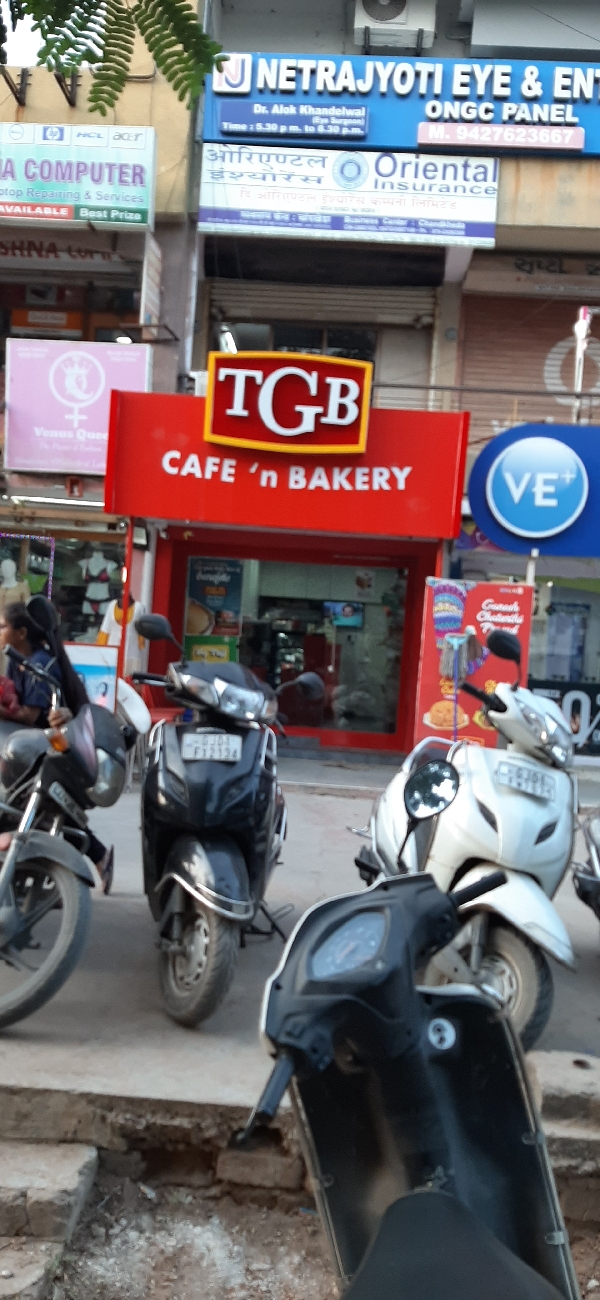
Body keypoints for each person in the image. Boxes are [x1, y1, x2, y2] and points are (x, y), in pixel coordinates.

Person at [0, 602, 115, 893]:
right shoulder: (16, 658)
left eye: (2, 627)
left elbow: (30, 715)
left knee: (45, 808)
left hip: (45, 749)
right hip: (27, 745)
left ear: (21, 633)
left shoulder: (40, 664)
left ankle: (94, 858)